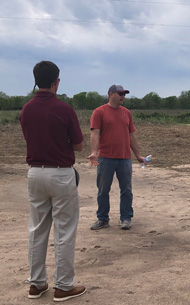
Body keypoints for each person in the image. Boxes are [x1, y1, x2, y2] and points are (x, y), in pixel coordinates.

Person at [20, 61, 86, 301]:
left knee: (37, 230)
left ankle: (36, 284)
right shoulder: (64, 109)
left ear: (36, 80)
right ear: (56, 82)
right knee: (64, 230)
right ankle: (63, 285)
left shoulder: (26, 109)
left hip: (35, 172)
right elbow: (78, 146)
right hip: (60, 172)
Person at [88, 84, 146, 230]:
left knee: (126, 189)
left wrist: (138, 155)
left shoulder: (127, 113)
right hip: (105, 158)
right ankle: (102, 219)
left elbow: (131, 136)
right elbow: (95, 133)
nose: (123, 97)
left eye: (124, 94)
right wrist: (94, 153)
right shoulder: (99, 112)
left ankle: (126, 218)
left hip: (124, 158)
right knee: (103, 190)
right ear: (111, 94)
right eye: (120, 94)